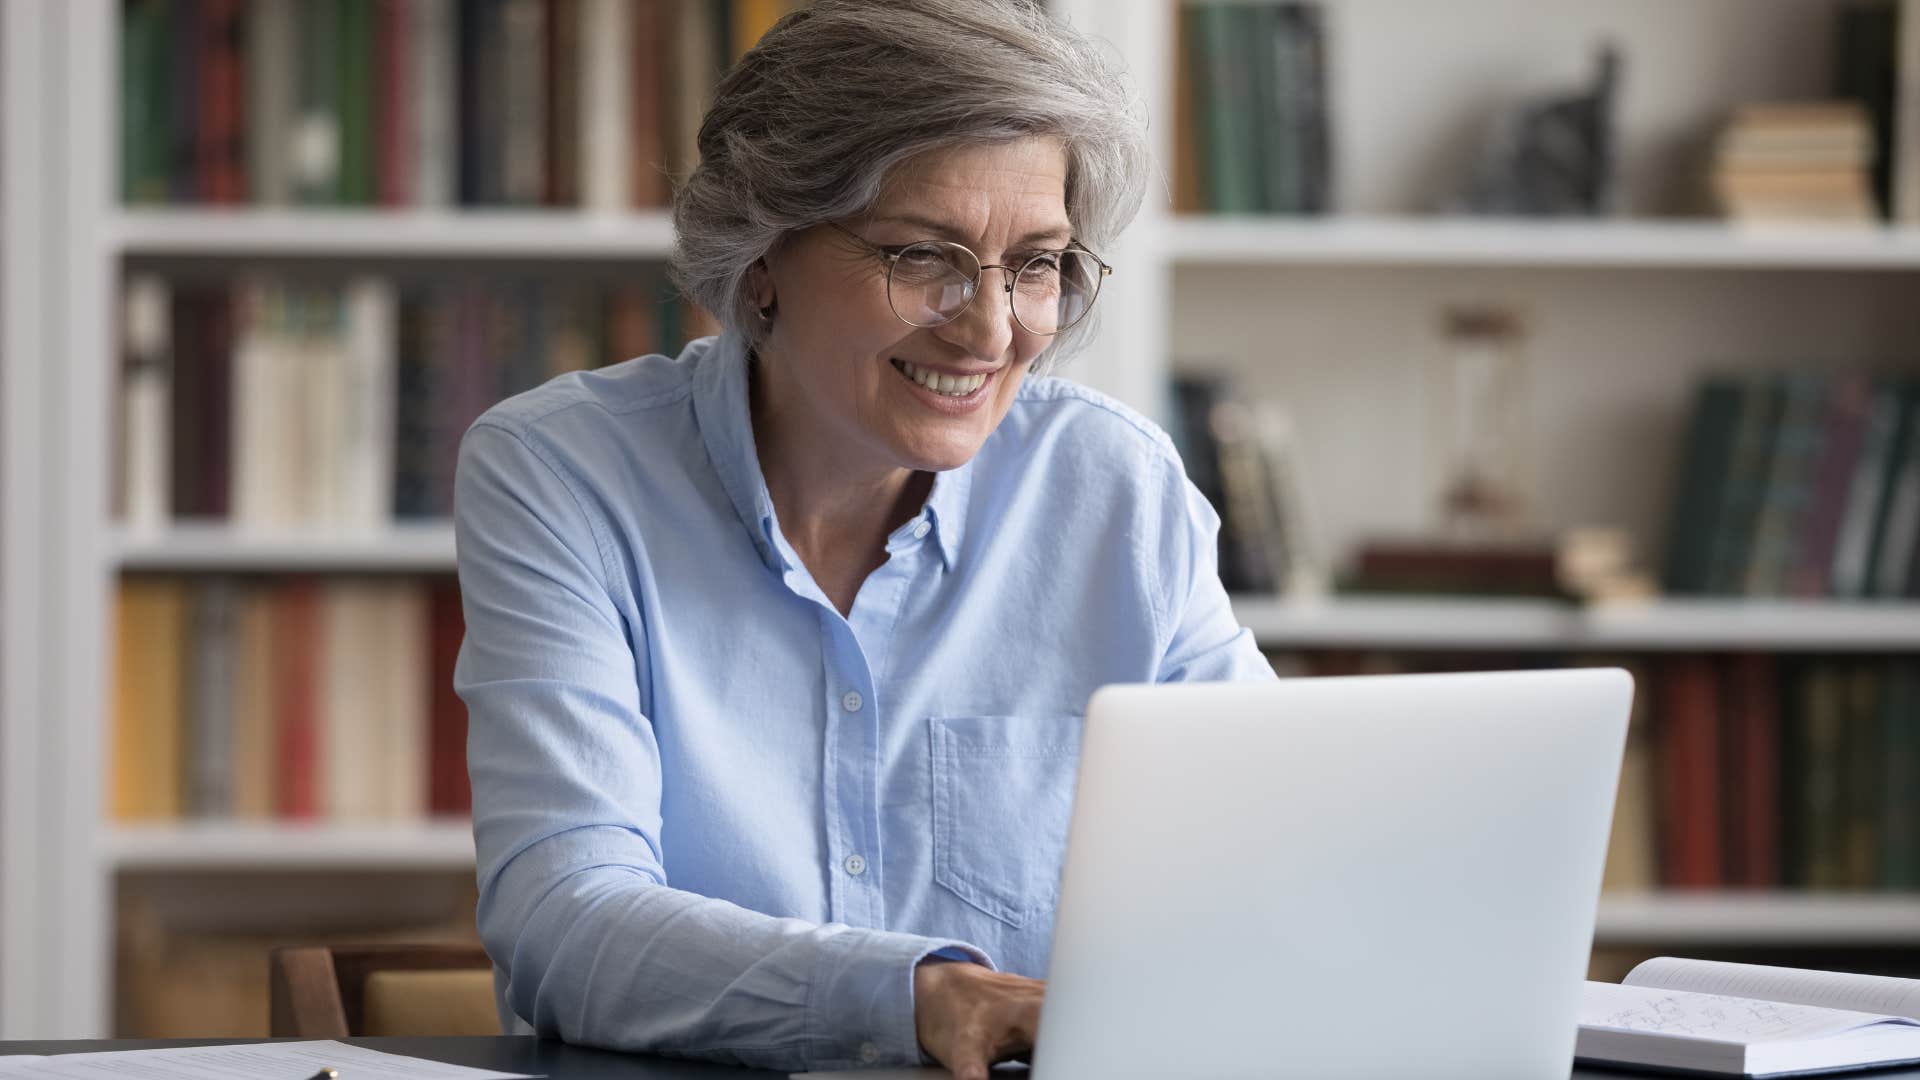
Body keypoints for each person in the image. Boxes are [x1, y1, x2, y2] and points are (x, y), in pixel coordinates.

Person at [452, 1, 1273, 1076]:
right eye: (922, 256)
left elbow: (1275, 850)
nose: (989, 329)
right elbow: (565, 920)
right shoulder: (563, 475)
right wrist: (917, 997)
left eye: (1035, 265)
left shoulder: (1115, 488)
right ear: (761, 260)